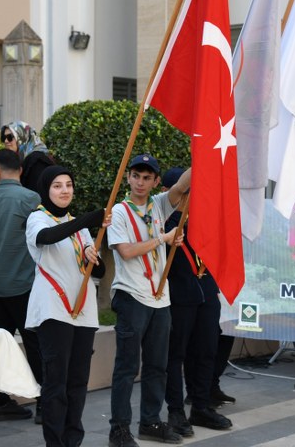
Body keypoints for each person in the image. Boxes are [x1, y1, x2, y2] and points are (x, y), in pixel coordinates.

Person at [107, 154, 191, 447]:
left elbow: (181, 186)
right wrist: (163, 239)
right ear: (128, 178)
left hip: (159, 298)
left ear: (156, 181)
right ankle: (119, 429)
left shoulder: (158, 204)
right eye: (136, 176)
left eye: (146, 178)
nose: (140, 183)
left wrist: (204, 154)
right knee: (127, 367)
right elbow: (126, 251)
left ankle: (150, 422)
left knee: (157, 366)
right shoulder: (119, 211)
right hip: (132, 296)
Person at [25, 165, 110, 447]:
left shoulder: (79, 227)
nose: (64, 191)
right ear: (46, 190)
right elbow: (47, 238)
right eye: (57, 186)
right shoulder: (38, 218)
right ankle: (55, 442)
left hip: (83, 311)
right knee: (56, 382)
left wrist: (92, 257)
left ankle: (73, 440)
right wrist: (88, 219)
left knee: (77, 382)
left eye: (69, 185)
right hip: (53, 309)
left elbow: (98, 272)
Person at [161, 168, 232, 438]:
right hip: (179, 296)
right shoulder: (165, 221)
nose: (192, 197)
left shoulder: (203, 219)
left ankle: (201, 405)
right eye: (187, 192)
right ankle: (176, 411)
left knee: (205, 351)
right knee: (175, 355)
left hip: (206, 291)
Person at [0, 148, 43, 423]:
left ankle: (0, 402)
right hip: (24, 284)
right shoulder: (31, 198)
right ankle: (44, 403)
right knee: (36, 345)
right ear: (20, 170)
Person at [0, 121, 54, 193]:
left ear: (22, 136)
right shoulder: (22, 159)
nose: (6, 141)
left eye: (10, 137)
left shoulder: (37, 161)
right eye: (4, 137)